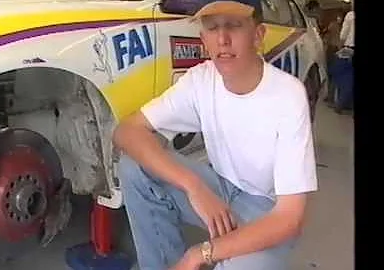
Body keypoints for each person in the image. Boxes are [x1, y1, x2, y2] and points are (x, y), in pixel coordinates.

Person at [112, 0, 318, 269]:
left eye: (234, 26)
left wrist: (202, 252)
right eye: (212, 28)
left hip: (267, 211)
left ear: (258, 35)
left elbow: (289, 219)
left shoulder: (287, 96)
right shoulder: (201, 80)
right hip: (220, 188)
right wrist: (193, 185)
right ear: (203, 39)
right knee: (135, 167)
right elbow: (126, 131)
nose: (222, 39)